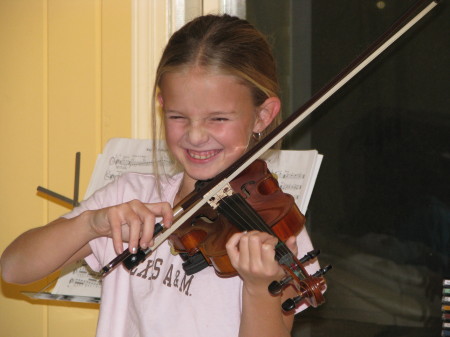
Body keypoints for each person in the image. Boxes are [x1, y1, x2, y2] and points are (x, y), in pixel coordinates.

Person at [1, 14, 321, 337]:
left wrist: (259, 287)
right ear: (161, 106)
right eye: (178, 117)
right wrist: (90, 224)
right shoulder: (129, 197)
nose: (195, 136)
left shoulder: (277, 228)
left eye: (218, 118)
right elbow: (13, 268)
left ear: (262, 116)